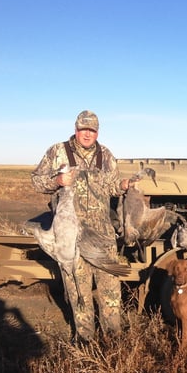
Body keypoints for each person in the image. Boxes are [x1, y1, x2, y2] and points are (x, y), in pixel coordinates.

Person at [31, 110, 131, 343]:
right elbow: (36, 180)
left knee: (110, 291)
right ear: (76, 129)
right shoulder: (57, 152)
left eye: (92, 130)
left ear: (97, 132)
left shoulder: (105, 155)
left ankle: (112, 339)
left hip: (102, 236)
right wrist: (56, 181)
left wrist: (123, 185)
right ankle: (85, 340)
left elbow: (111, 187)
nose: (87, 134)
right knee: (79, 290)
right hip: (71, 235)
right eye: (83, 129)